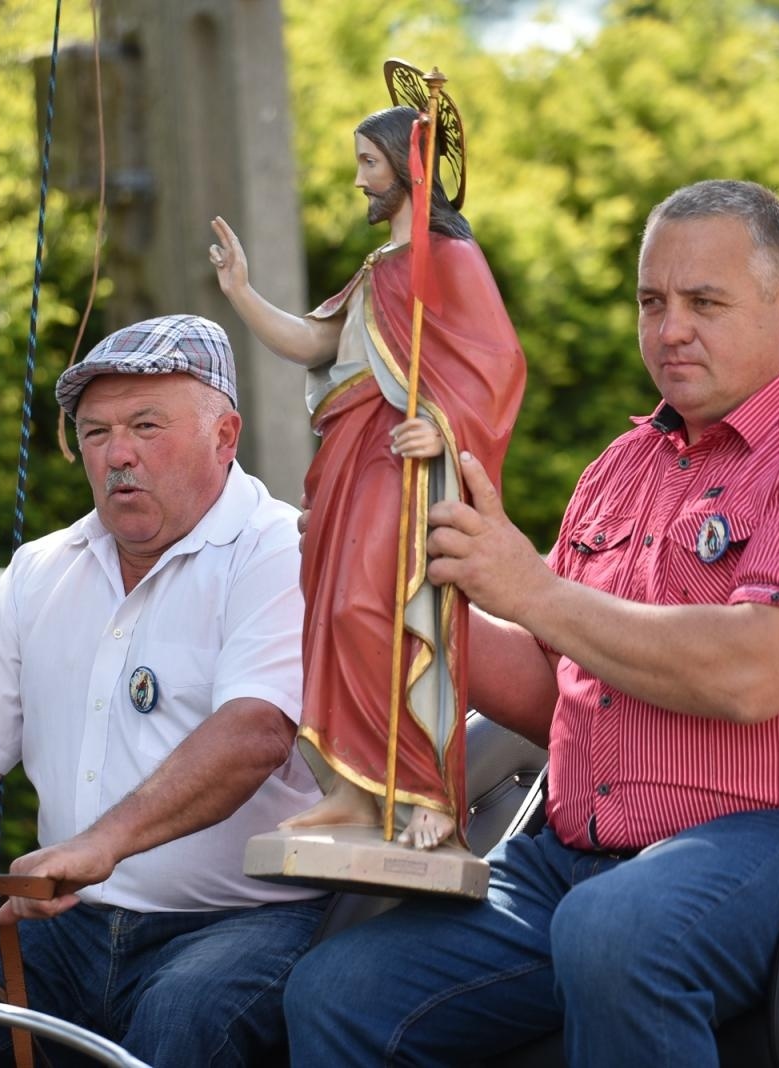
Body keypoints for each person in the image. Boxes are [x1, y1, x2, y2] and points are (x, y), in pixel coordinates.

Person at [283, 179, 779, 1064]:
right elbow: (557, 686)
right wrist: (392, 593)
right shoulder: (623, 464)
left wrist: (530, 590)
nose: (670, 330)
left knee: (615, 927)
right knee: (337, 994)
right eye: (651, 301)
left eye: (704, 302)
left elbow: (752, 674)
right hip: (573, 854)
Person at [0, 314, 328, 1066]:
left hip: (241, 920)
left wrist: (100, 843)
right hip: (59, 930)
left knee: (180, 1025)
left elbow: (255, 732)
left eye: (146, 425)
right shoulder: (44, 568)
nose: (118, 455)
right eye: (95, 433)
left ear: (225, 435)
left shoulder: (279, 550)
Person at [210, 104, 526, 850]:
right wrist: (243, 295)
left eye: (369, 164)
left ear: (407, 166)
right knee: (332, 610)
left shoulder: (446, 257)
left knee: (380, 606)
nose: (358, 180)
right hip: (354, 456)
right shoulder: (382, 267)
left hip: (402, 458)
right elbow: (321, 342)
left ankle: (428, 789)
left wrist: (442, 423)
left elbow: (499, 366)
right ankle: (357, 793)